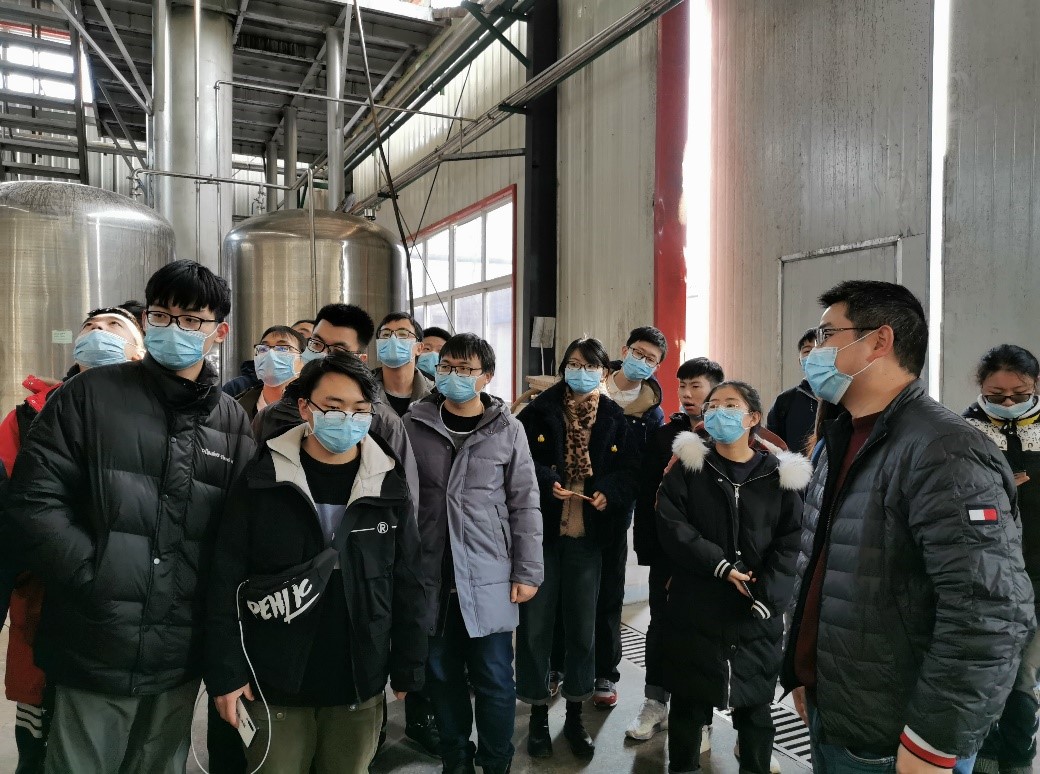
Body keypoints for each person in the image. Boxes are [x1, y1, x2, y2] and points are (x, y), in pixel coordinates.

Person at [5, 260, 257, 774]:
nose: (174, 328)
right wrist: (97, 577)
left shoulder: (230, 420)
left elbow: (237, 534)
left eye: (191, 320)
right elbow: (35, 500)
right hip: (94, 638)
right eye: (162, 315)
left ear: (219, 332)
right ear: (147, 321)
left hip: (180, 648)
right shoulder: (88, 396)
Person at [782, 280, 1035, 773]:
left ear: (880, 341)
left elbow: (989, 609)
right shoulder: (839, 436)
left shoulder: (943, 449)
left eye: (828, 334)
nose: (815, 351)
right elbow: (824, 570)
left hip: (896, 735)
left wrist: (932, 741)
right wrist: (805, 673)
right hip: (840, 708)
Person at [206, 354, 427, 774]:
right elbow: (225, 580)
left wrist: (409, 665)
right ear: (306, 407)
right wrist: (226, 671)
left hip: (357, 680)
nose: (347, 419)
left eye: (360, 409)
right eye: (334, 407)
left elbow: (409, 579)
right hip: (273, 681)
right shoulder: (263, 477)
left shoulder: (387, 482)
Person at [0, 305, 145, 774]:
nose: (99, 333)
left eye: (114, 326)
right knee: (41, 739)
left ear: (140, 350)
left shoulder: (160, 415)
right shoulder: (26, 418)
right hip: (45, 596)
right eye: (90, 327)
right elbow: (12, 513)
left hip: (134, 608)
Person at [404, 333, 543, 774]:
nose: (453, 376)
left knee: (495, 678)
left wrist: (528, 571)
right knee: (442, 676)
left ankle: (497, 762)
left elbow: (525, 502)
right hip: (431, 574)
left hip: (489, 573)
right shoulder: (413, 424)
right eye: (446, 367)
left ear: (487, 376)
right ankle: (456, 761)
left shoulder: (508, 429)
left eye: (465, 369)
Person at [657, 380, 806, 773]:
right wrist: (719, 565)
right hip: (696, 606)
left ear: (752, 417)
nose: (717, 412)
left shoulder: (778, 475)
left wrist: (768, 597)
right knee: (688, 706)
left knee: (756, 712)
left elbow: (791, 542)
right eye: (713, 406)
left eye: (730, 405)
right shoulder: (689, 468)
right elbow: (671, 525)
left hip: (753, 611)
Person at [515, 337, 637, 761]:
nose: (580, 372)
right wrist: (547, 479)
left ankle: (574, 717)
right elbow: (519, 461)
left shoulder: (615, 417)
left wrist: (608, 492)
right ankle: (536, 716)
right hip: (542, 536)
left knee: (583, 628)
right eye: (573, 364)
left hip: (588, 539)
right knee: (535, 626)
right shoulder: (537, 412)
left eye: (589, 366)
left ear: (604, 372)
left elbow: (630, 472)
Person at [626, 357, 724, 743]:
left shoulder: (729, 438)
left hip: (711, 559)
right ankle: (655, 702)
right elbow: (647, 498)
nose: (686, 393)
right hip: (669, 556)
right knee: (660, 627)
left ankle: (702, 715)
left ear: (715, 388)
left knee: (705, 635)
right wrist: (651, 551)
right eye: (682, 386)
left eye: (696, 386)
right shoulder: (664, 437)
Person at [963, 345, 1040, 774]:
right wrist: (997, 490)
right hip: (986, 570)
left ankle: (1016, 757)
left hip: (1038, 571)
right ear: (981, 387)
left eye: (1020, 393)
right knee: (989, 671)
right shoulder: (963, 430)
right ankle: (986, 756)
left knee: (1025, 674)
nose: (1008, 402)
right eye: (997, 395)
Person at [234, 325, 306, 419]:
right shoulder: (235, 409)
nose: (270, 354)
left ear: (303, 360)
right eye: (263, 349)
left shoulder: (313, 408)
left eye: (282, 348)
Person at [766, 328, 819, 452]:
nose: (813, 355)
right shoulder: (785, 401)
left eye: (820, 349)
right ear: (800, 360)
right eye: (807, 351)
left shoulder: (844, 397)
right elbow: (773, 448)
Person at [373, 312, 433, 417]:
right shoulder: (362, 388)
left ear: (419, 348)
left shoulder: (434, 392)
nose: (393, 339)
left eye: (402, 334)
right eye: (386, 334)